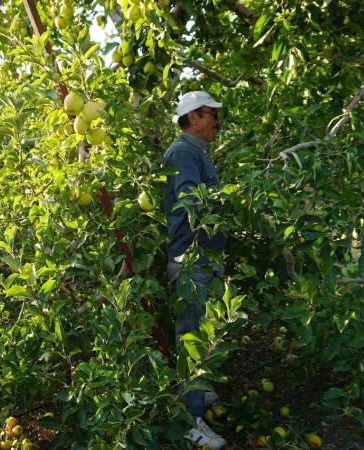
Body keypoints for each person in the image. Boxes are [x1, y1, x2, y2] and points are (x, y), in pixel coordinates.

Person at [163, 91, 227, 449]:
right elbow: (190, 198)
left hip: (202, 258)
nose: (217, 121)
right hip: (191, 259)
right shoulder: (184, 152)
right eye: (211, 114)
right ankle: (190, 421)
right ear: (192, 117)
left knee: (203, 330)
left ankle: (198, 396)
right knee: (191, 337)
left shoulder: (196, 152)